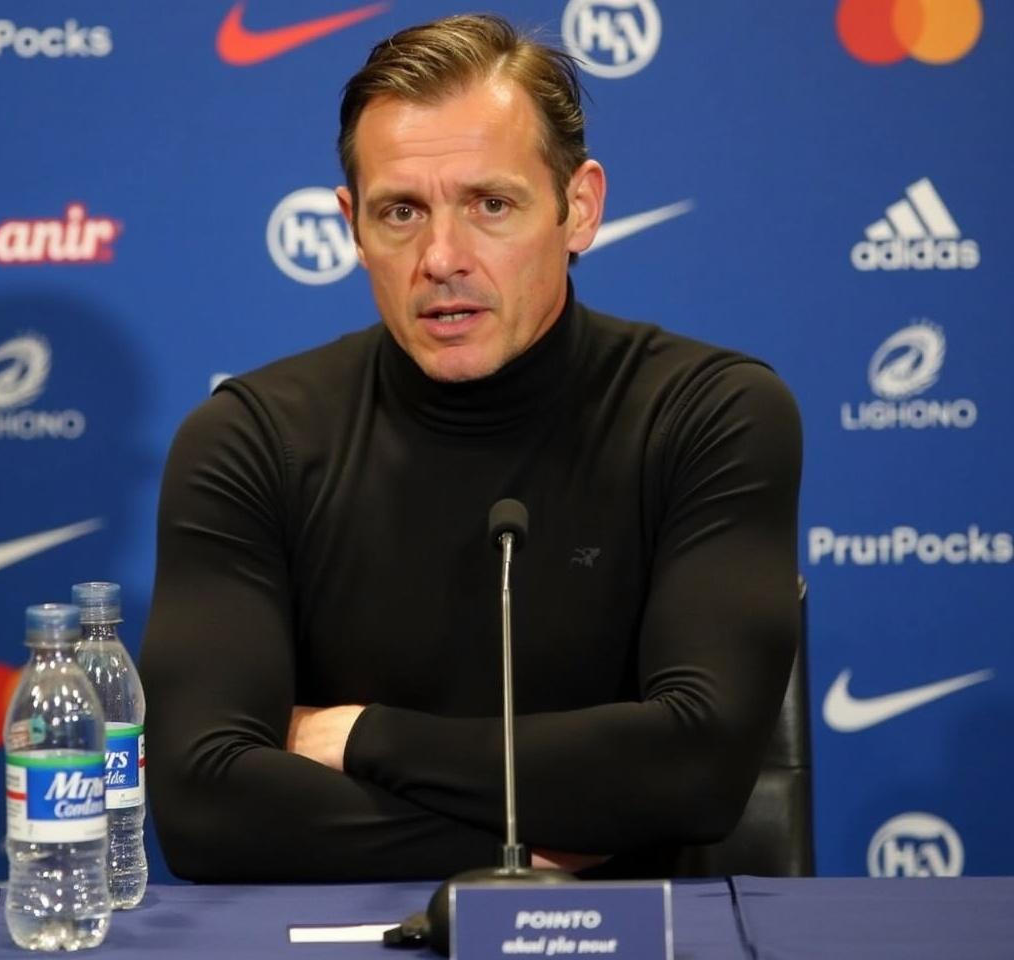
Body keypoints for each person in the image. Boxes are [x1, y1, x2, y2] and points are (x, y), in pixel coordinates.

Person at [139, 14, 801, 882]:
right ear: (350, 225)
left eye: (491, 204)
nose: (442, 257)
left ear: (580, 208)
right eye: (401, 212)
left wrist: (362, 737)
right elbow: (204, 806)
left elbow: (698, 768)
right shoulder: (248, 440)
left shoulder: (709, 414)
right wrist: (540, 851)